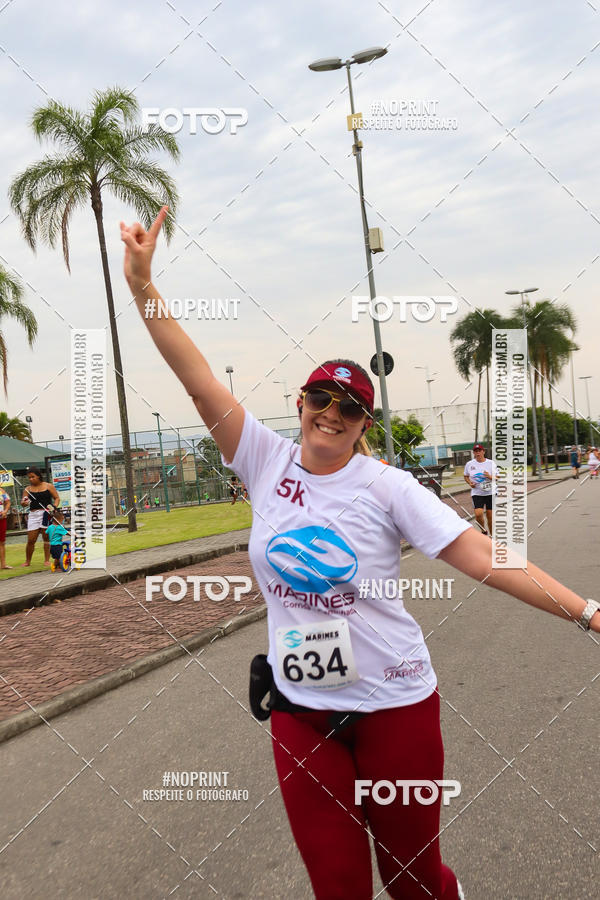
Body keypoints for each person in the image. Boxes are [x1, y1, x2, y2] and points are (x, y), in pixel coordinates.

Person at [121, 206, 600, 900]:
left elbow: (487, 557)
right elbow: (196, 379)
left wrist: (586, 611)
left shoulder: (388, 487)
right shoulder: (262, 458)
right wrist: (143, 286)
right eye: (322, 399)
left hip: (395, 706)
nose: (332, 415)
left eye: (349, 408)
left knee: (414, 882)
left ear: (363, 424)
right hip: (300, 709)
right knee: (339, 887)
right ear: (302, 401)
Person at [20, 467, 60, 567]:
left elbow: (57, 498)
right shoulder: (27, 489)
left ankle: (46, 560)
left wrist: (54, 507)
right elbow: (23, 503)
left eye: (33, 477)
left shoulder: (48, 486)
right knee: (31, 539)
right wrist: (24, 503)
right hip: (33, 515)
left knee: (46, 537)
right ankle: (27, 561)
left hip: (46, 513)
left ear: (38, 476)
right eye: (29, 477)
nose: (30, 479)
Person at [463, 444, 498, 536]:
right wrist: (470, 483)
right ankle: (483, 530)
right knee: (478, 514)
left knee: (490, 515)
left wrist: (490, 477)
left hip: (491, 492)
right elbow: (466, 476)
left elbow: (498, 477)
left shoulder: (491, 463)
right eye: (476, 451)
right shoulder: (469, 464)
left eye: (479, 451)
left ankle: (492, 537)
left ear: (483, 452)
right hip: (477, 493)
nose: (478, 453)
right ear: (474, 453)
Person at [0, 486, 11, 570]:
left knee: (2, 542)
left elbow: (7, 502)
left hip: (1, 518)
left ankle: (3, 564)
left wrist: (5, 511)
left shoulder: (2, 491)